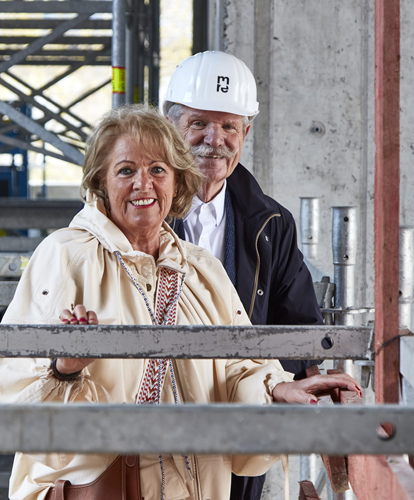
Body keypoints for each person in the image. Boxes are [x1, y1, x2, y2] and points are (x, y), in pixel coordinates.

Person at [0, 105, 360, 500]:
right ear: (100, 183)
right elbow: (7, 397)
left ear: (177, 181)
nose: (144, 184)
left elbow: (240, 369)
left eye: (158, 169)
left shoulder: (201, 269)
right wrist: (65, 370)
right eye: (126, 170)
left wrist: (277, 387)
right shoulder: (66, 256)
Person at [163, 51, 326, 500]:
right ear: (170, 127)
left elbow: (299, 328)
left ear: (246, 133)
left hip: (239, 423)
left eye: (229, 126)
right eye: (199, 123)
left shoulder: (272, 224)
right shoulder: (135, 212)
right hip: (153, 424)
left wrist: (290, 385)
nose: (214, 140)